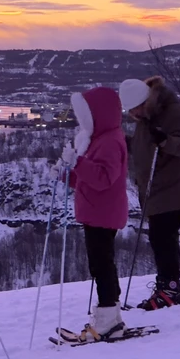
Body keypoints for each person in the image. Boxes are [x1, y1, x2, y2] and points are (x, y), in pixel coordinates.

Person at [119, 76, 180, 309]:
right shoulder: (146, 117)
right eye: (131, 110)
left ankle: (169, 290)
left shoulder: (170, 112)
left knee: (161, 237)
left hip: (174, 186)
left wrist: (166, 141)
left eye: (136, 108)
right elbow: (143, 146)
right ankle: (169, 288)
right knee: (162, 238)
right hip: (155, 188)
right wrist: (122, 142)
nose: (134, 113)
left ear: (145, 101)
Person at [52, 87, 129, 340]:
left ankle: (107, 321)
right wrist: (66, 175)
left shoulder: (110, 141)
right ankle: (111, 318)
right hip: (98, 211)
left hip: (102, 214)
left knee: (101, 265)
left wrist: (78, 163)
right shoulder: (101, 139)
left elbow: (104, 178)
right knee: (102, 264)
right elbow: (89, 181)